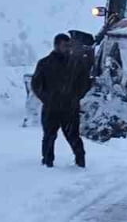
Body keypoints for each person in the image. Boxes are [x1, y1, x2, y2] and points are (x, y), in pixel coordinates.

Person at [30, 33, 93, 168]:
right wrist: (47, 98)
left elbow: (85, 83)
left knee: (73, 136)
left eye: (69, 45)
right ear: (56, 46)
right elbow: (36, 84)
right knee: (49, 136)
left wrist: (75, 97)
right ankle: (47, 163)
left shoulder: (77, 64)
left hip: (70, 108)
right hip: (51, 108)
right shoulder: (45, 63)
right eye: (65, 46)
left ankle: (80, 162)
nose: (68, 49)